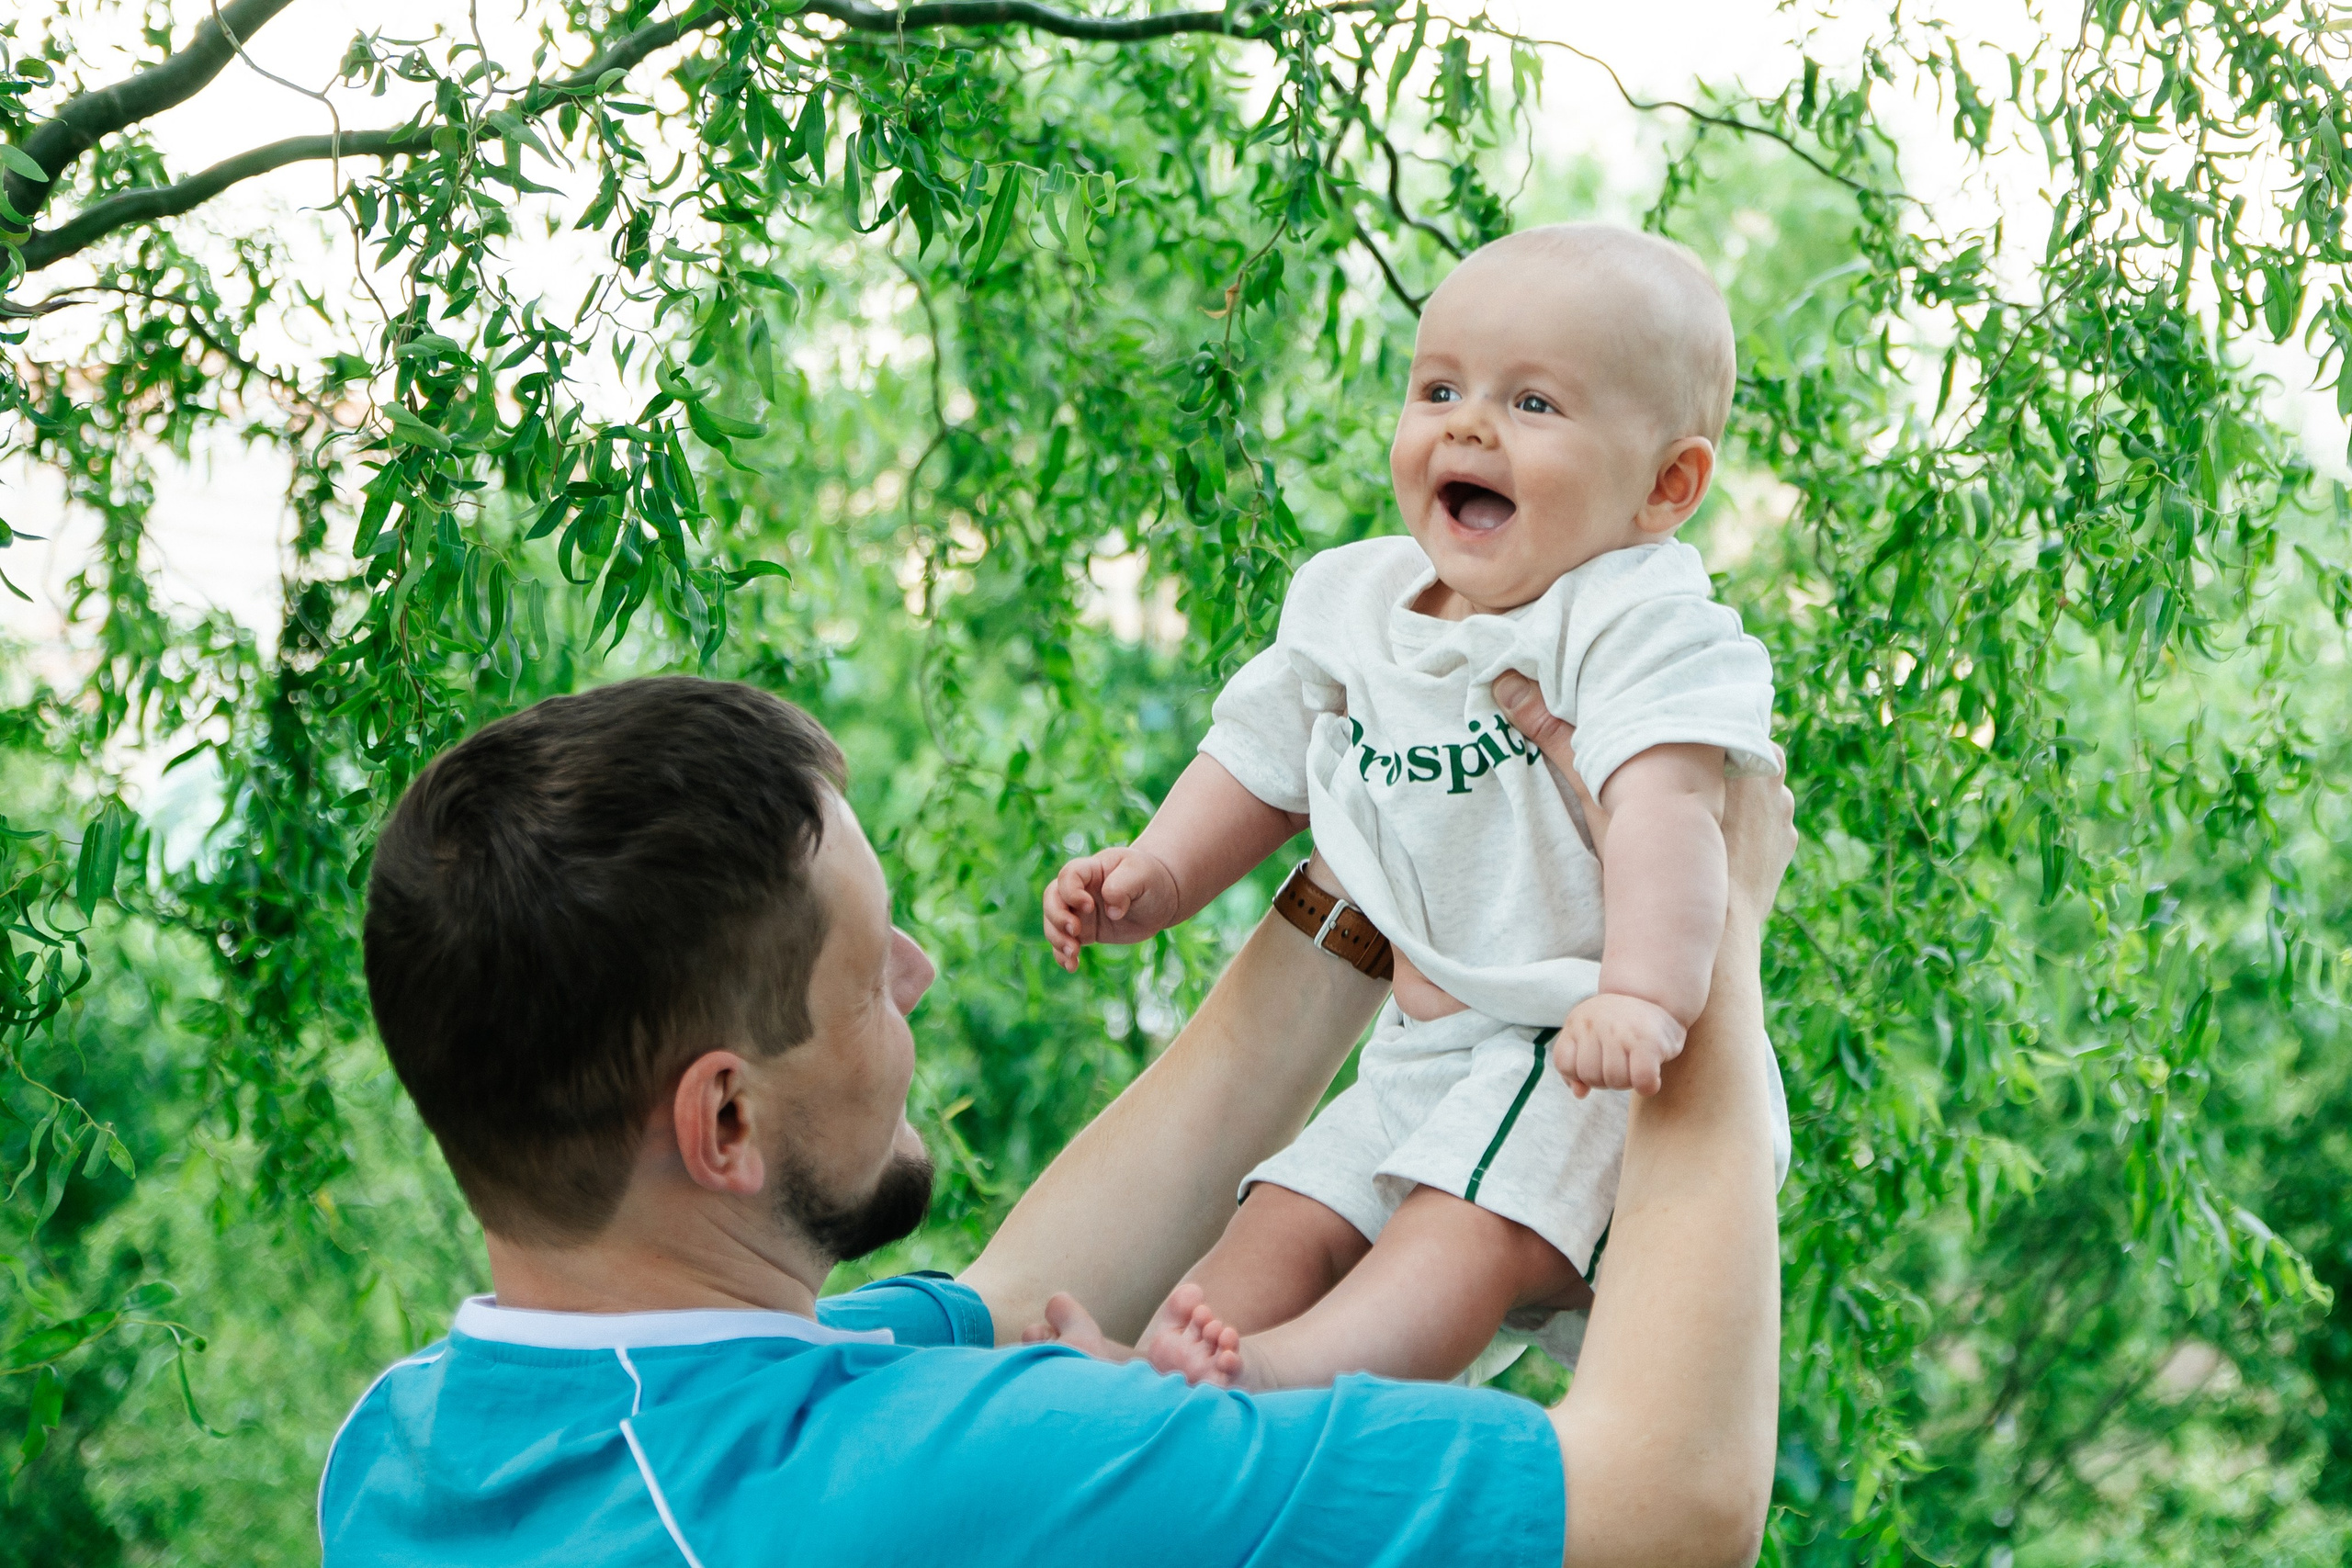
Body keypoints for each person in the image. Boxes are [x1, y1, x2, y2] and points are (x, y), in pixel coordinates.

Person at [321, 672, 1791, 1568]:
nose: (920, 972)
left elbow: (1020, 1298)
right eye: (864, 975)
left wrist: (1383, 842)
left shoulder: (396, 1451)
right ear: (725, 1117)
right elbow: (1668, 1503)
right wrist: (1710, 939)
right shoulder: (938, 1482)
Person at [1042, 222, 1788, 1388]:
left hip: (1569, 1046)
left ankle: (1272, 1379)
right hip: (1418, 1045)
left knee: (1454, 1239)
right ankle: (1146, 1385)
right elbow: (1263, 749)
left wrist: (1640, 996)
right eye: (1438, 387)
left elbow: (1669, 816)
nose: (1468, 424)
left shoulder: (1639, 622)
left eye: (1534, 405)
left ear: (1665, 485)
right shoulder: (1361, 602)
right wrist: (1163, 874)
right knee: (1287, 1210)